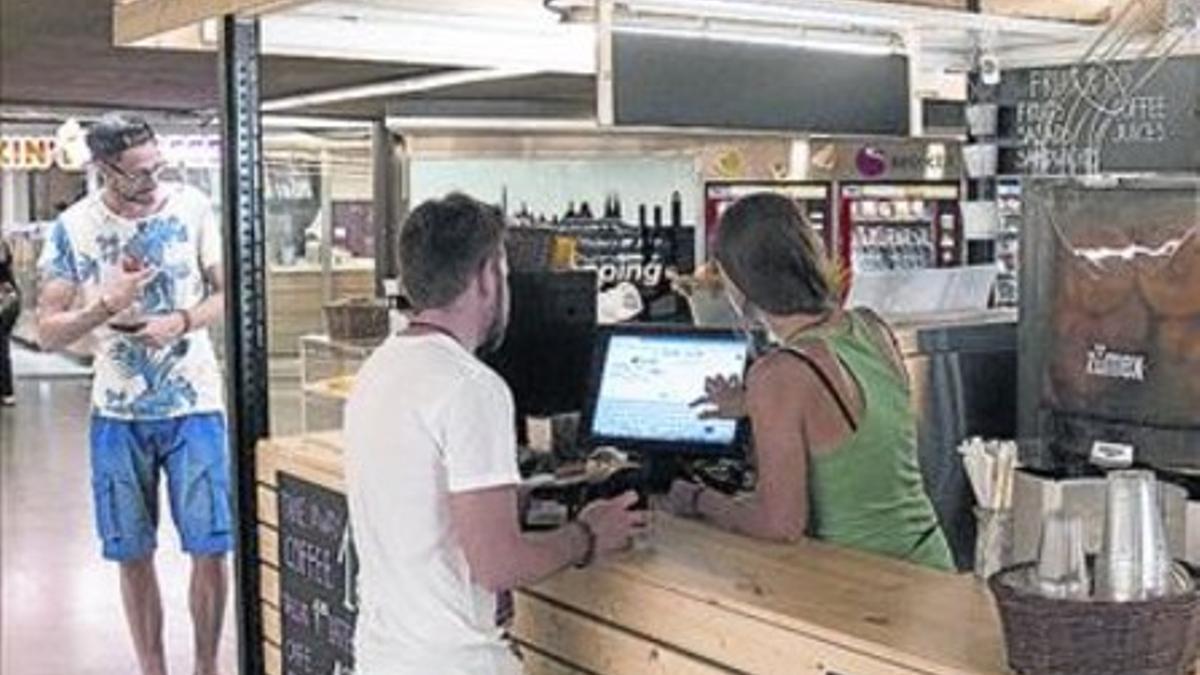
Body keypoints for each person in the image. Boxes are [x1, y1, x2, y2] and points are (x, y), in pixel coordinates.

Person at [344, 193, 647, 674]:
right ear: (486, 276)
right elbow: (498, 565)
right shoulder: (470, 387)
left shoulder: (379, 368)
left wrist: (512, 497)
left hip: (384, 655)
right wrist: (589, 533)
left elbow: (420, 507)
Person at [663, 193, 954, 572]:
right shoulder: (869, 326)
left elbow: (780, 525)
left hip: (867, 582)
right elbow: (852, 432)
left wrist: (697, 499)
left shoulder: (778, 375)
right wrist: (749, 405)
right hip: (931, 563)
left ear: (739, 284)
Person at [36, 113, 230, 675]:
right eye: (138, 175)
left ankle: (205, 666)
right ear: (103, 170)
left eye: (157, 168)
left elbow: (227, 292)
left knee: (210, 545)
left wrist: (185, 320)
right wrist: (104, 305)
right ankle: (152, 667)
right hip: (117, 411)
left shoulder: (192, 207)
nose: (152, 183)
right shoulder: (74, 227)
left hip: (195, 402)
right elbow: (48, 331)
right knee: (131, 550)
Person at [0, 236, 18, 406]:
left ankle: (6, 391)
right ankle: (6, 391)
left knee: (2, 349)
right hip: (8, 303)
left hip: (5, 305)